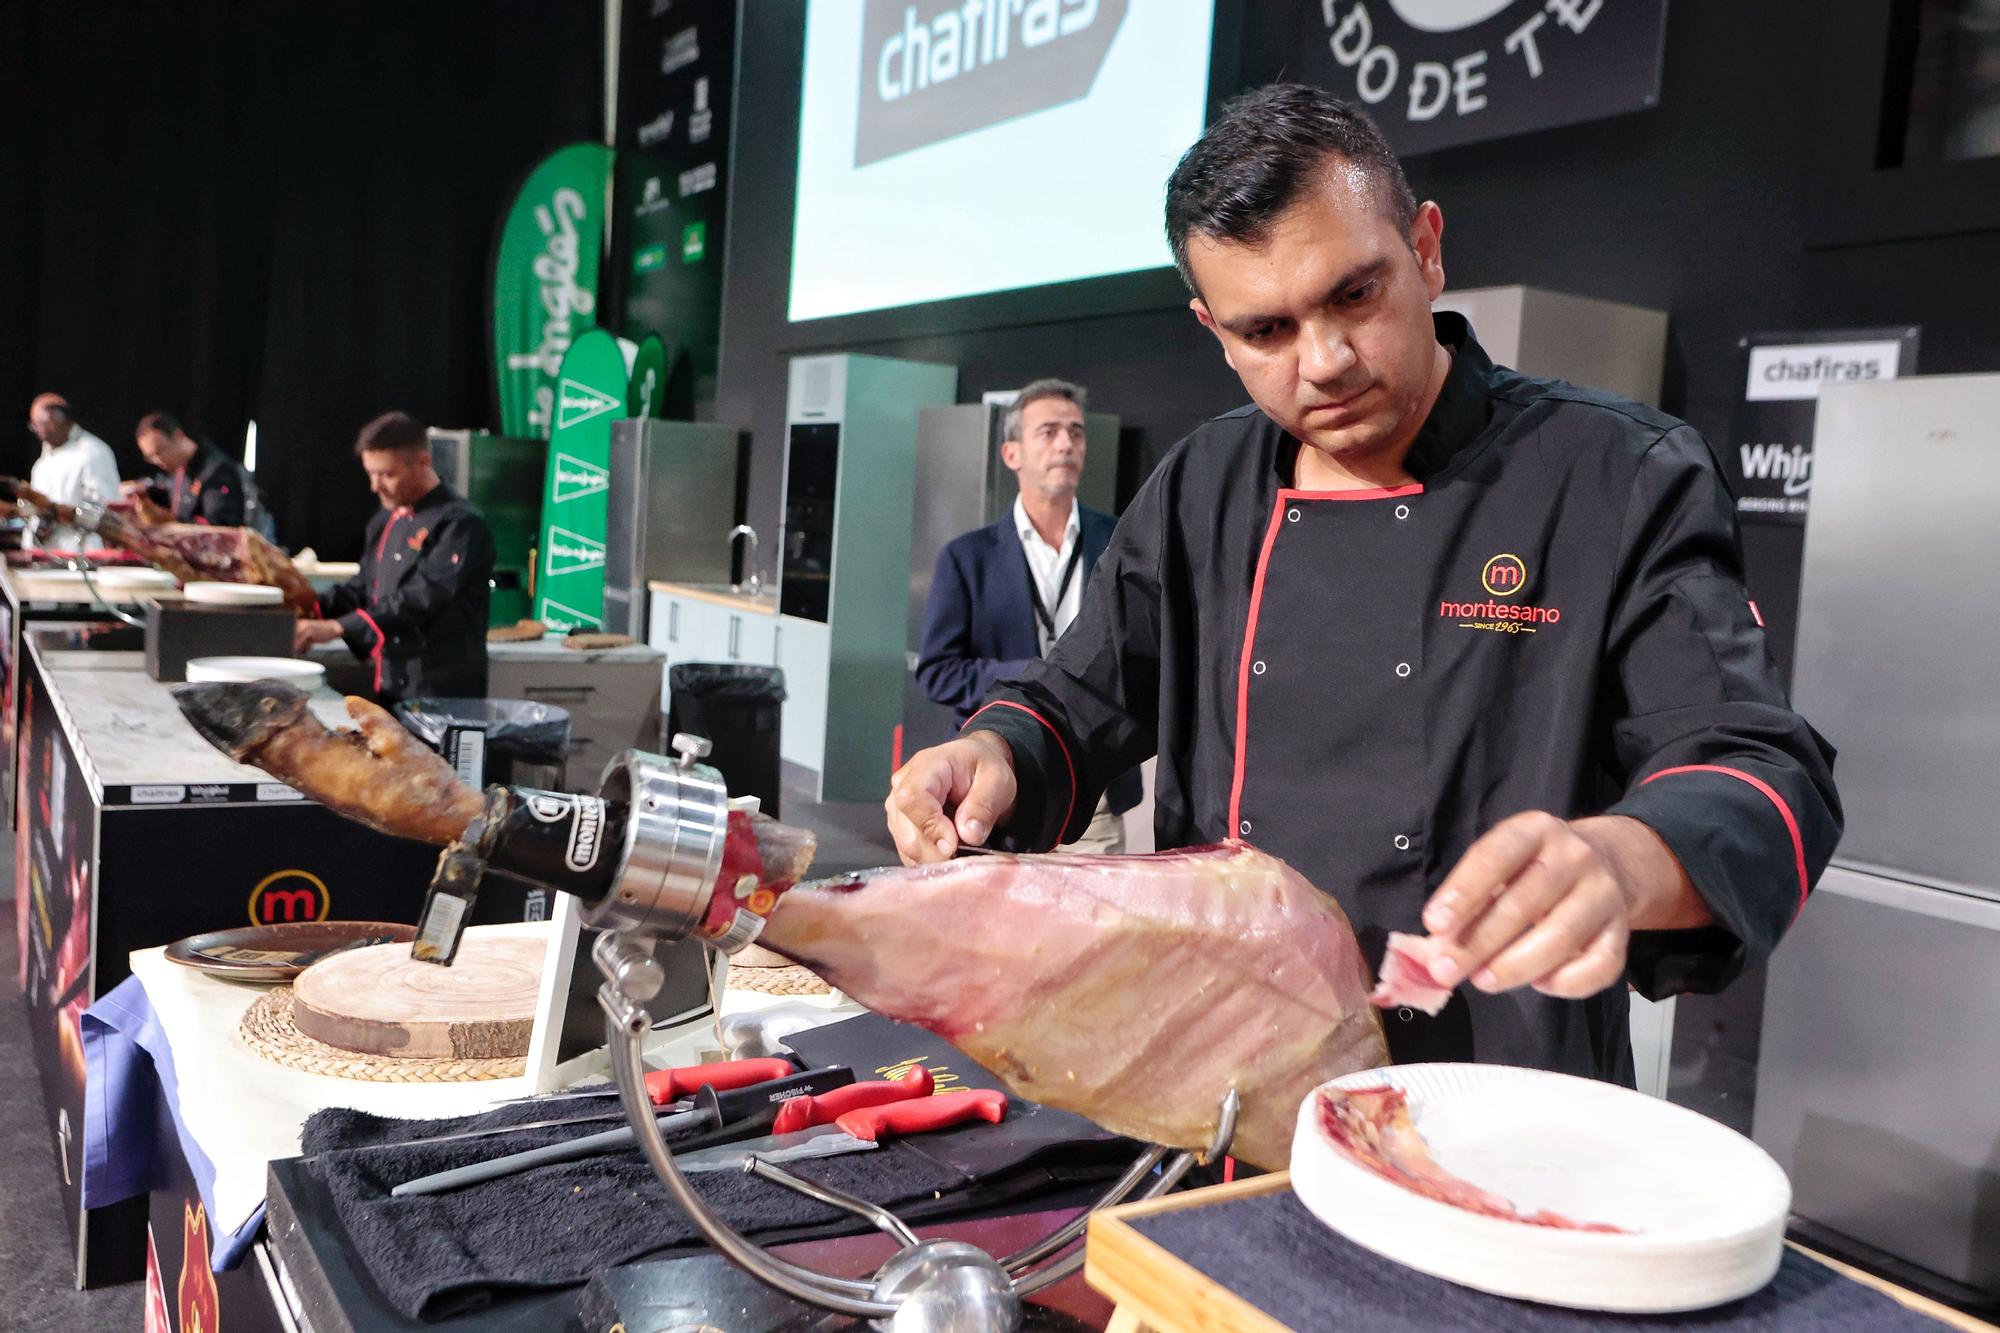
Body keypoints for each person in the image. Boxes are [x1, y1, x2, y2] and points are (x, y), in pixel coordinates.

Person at [884, 85, 1842, 1083]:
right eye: (1265, 332)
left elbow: (1755, 764)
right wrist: (996, 751)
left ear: (1425, 248)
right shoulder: (1201, 489)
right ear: (1213, 329)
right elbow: (1076, 701)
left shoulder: (1611, 475)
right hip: (1226, 1079)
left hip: (1494, 1098)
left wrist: (1622, 860)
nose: (1325, 362)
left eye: (1353, 295)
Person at [914, 379, 1140, 854]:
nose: (1066, 444)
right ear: (1011, 454)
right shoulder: (967, 557)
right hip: (997, 782)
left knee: (1097, 926)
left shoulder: (1121, 540)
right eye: (1049, 431)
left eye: (1076, 433)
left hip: (1094, 784)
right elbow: (937, 672)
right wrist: (1039, 678)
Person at [293, 411, 495, 701]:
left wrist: (338, 627)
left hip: (443, 689)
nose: (375, 487)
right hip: (390, 684)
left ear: (423, 462)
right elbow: (362, 588)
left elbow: (423, 597)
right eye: (371, 474)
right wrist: (301, 607)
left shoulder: (461, 524)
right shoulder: (384, 521)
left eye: (387, 474)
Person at [124, 411, 265, 531]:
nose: (158, 461)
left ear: (178, 436)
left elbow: (219, 527)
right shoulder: (181, 470)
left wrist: (169, 525)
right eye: (150, 457)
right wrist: (143, 491)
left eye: (160, 452)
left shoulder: (216, 472)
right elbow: (167, 491)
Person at [24, 393, 122, 550]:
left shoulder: (92, 452)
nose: (38, 431)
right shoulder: (42, 463)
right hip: (44, 553)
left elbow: (106, 507)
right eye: (34, 425)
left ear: (59, 420)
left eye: (41, 424)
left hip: (81, 552)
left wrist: (59, 517)